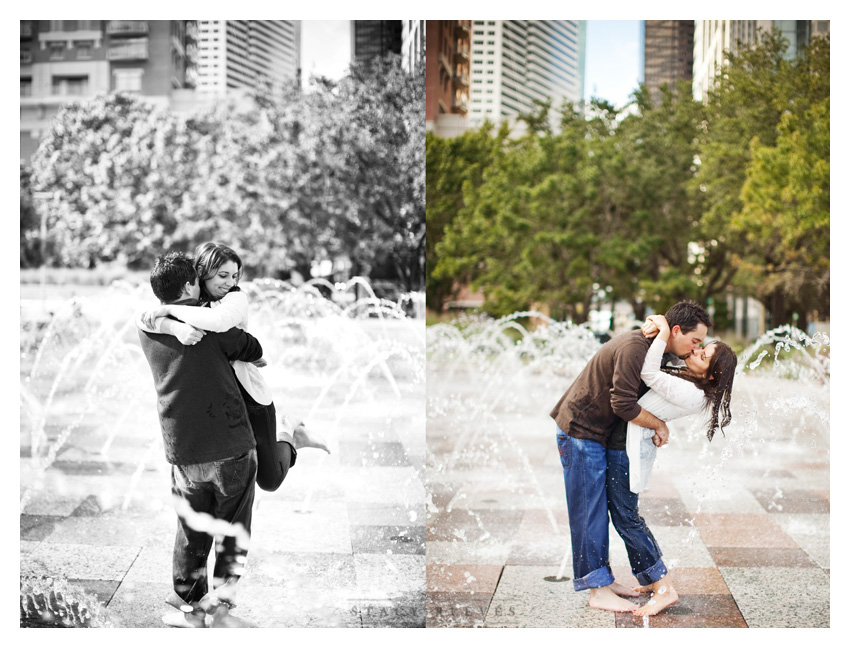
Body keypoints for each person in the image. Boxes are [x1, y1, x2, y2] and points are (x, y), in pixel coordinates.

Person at [551, 301, 710, 613]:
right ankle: (596, 590)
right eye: (695, 341)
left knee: (598, 511)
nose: (695, 348)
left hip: (595, 433)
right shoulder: (637, 348)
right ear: (676, 331)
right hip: (580, 430)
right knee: (588, 512)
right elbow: (623, 404)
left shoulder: (657, 348)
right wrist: (659, 424)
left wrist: (660, 322)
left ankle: (603, 580)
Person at [139, 242, 329, 494]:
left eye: (234, 275)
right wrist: (174, 326)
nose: (229, 281)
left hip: (249, 397)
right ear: (202, 273)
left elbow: (218, 323)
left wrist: (170, 310)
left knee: (269, 480)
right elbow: (142, 319)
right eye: (222, 275)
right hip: (222, 405)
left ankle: (288, 431)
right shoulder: (194, 303)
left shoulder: (235, 298)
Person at [137, 250, 264, 628]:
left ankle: (188, 606)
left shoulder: (149, 328)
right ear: (192, 284)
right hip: (230, 445)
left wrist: (169, 320)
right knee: (233, 527)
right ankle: (221, 606)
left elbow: (144, 316)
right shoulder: (212, 327)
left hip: (183, 449)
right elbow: (252, 347)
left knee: (191, 529)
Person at [613, 313, 737, 616]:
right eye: (698, 345)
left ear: (710, 375)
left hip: (628, 451)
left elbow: (649, 373)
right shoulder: (690, 380)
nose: (695, 350)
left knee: (626, 517)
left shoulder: (693, 392)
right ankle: (649, 577)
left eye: (703, 353)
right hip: (629, 445)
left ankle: (663, 586)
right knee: (628, 515)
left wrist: (665, 330)